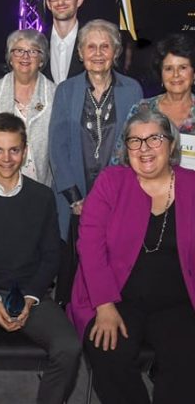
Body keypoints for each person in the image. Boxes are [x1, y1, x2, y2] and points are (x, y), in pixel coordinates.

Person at [0, 113, 81, 404]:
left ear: (24, 151)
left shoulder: (42, 197)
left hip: (30, 293)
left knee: (69, 347)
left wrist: (31, 297)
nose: (6, 158)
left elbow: (51, 256)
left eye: (14, 150)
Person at [70, 109, 195, 404]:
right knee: (108, 352)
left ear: (172, 144)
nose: (144, 148)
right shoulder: (112, 181)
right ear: (126, 149)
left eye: (154, 138)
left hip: (178, 302)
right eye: (134, 141)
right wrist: (104, 305)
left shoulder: (192, 185)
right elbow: (89, 245)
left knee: (185, 362)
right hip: (116, 296)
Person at [49, 19, 143, 244]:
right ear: (81, 53)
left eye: (105, 46)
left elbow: (137, 145)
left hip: (118, 196)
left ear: (116, 52)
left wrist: (118, 195)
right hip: (74, 196)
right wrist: (75, 200)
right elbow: (57, 148)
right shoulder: (65, 90)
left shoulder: (132, 90)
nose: (98, 53)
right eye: (91, 47)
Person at [0, 29, 55, 187]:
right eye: (19, 51)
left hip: (40, 186)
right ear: (10, 58)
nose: (25, 56)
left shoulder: (55, 94)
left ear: (42, 60)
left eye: (33, 51)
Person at [113, 34, 195, 162]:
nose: (176, 75)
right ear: (160, 74)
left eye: (183, 68)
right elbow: (120, 158)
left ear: (193, 73)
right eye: (168, 69)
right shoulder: (141, 109)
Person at [43, 0, 85, 83]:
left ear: (79, 0)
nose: (60, 1)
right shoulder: (39, 43)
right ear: (48, 3)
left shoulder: (91, 42)